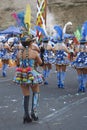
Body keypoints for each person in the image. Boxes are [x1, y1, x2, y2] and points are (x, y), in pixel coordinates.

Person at [13, 36, 43, 123]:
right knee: (36, 93)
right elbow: (41, 63)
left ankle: (26, 114)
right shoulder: (34, 53)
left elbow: (18, 64)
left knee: (25, 95)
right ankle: (34, 112)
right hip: (32, 74)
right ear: (31, 43)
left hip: (21, 74)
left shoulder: (19, 53)